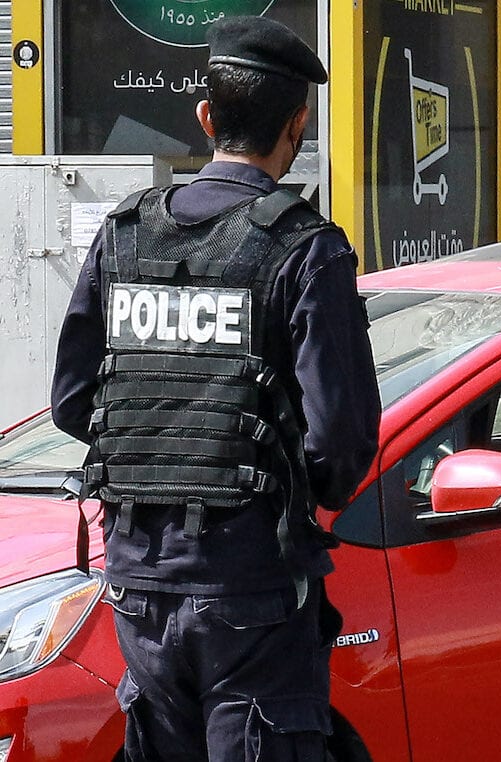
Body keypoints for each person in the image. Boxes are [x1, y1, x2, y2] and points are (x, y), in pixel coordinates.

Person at [50, 16, 381, 761]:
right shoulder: (304, 248)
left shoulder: (126, 234)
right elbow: (342, 445)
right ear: (297, 125)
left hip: (137, 580)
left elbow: (74, 403)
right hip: (252, 588)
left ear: (206, 117)